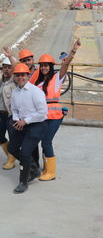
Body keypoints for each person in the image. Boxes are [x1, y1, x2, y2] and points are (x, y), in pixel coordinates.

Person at [36, 39, 81, 181]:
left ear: (51, 66)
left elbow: (65, 64)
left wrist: (73, 50)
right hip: (43, 116)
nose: (44, 68)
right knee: (43, 141)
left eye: (46, 65)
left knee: (46, 142)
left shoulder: (57, 78)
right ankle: (46, 168)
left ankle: (51, 172)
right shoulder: (38, 82)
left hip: (55, 116)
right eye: (42, 65)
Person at [8, 63, 48, 194]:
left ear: (28, 75)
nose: (20, 77)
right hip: (22, 123)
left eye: (23, 75)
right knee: (12, 148)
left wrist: (25, 121)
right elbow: (14, 109)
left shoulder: (36, 92)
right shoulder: (15, 92)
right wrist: (16, 119)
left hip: (36, 124)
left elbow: (42, 112)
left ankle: (23, 182)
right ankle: (33, 167)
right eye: (18, 75)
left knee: (25, 153)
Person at [0, 55, 17, 170]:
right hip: (0, 114)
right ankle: (11, 156)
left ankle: (11, 159)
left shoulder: (15, 81)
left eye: (9, 67)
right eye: (4, 67)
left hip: (11, 114)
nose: (6, 69)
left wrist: (10, 56)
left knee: (13, 137)